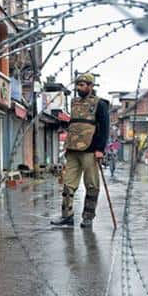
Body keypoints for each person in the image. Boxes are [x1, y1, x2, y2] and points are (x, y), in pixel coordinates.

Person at [51, 73, 109, 228]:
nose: (79, 88)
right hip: (72, 149)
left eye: (83, 85)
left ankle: (88, 217)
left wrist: (100, 149)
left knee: (91, 185)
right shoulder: (75, 102)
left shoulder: (100, 104)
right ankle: (67, 216)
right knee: (68, 184)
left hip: (90, 150)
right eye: (78, 85)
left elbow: (104, 127)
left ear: (90, 86)